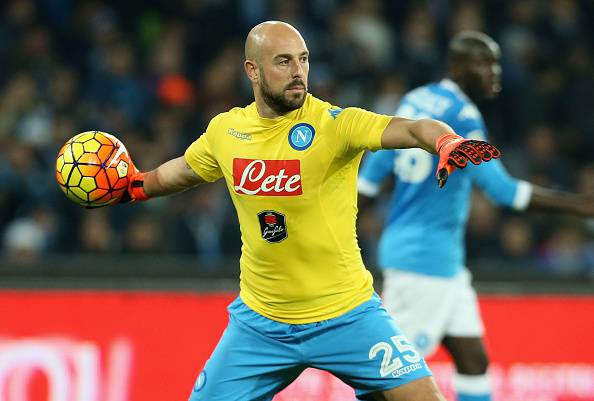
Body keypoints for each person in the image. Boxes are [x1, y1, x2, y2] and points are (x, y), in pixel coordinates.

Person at [119, 22, 500, 401]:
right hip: (260, 325)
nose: (298, 71)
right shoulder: (226, 131)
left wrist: (446, 140)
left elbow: (413, 129)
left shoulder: (335, 124)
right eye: (283, 62)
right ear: (252, 70)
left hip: (347, 315)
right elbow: (184, 170)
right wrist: (135, 185)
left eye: (303, 60)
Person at [358, 31, 594, 401]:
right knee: (392, 378)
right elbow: (503, 191)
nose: (494, 72)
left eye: (496, 63)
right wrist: (578, 205)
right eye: (484, 63)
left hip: (437, 263)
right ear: (457, 66)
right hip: (424, 265)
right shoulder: (462, 115)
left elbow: (367, 183)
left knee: (473, 358)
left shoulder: (413, 99)